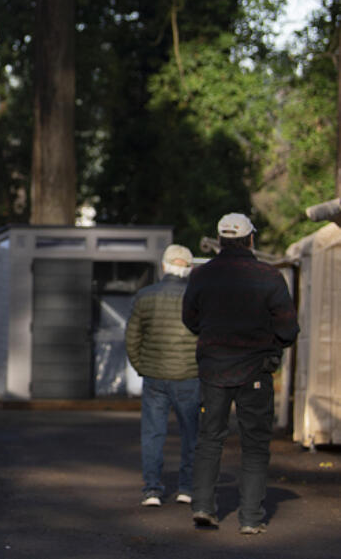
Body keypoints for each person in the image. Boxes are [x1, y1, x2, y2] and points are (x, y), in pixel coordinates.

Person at [182, 213, 299, 535]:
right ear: (250, 239)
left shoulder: (201, 276)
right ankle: (250, 518)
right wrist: (270, 345)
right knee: (255, 445)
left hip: (213, 368)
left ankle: (203, 506)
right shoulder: (269, 276)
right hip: (255, 370)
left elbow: (190, 318)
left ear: (220, 241)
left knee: (209, 439)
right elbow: (288, 328)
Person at [125, 243, 200, 507]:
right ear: (189, 268)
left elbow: (132, 337)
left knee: (153, 434)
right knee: (191, 435)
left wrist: (141, 366)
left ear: (164, 266)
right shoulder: (197, 297)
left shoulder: (145, 295)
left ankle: (152, 490)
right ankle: (187, 489)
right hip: (190, 376)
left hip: (154, 376)